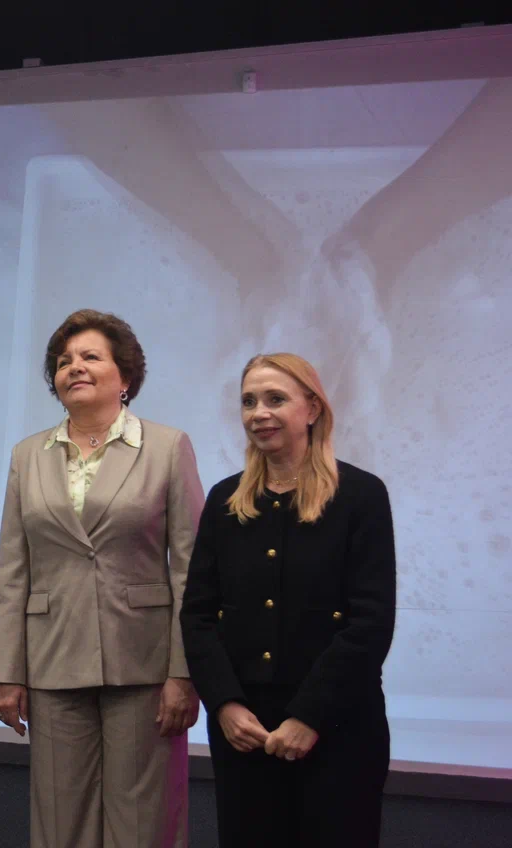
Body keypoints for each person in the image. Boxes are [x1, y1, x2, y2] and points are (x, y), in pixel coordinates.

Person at [0, 309, 204, 848]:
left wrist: (185, 672)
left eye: (90, 357)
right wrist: (6, 673)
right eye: (64, 362)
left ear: (125, 375)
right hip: (52, 661)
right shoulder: (27, 455)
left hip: (144, 664)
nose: (74, 367)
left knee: (143, 823)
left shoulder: (168, 446)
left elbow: (192, 570)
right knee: (60, 821)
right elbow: (12, 570)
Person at [180, 353, 396, 848]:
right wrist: (225, 706)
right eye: (248, 402)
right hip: (244, 731)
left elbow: (370, 622)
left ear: (313, 409)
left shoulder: (361, 495)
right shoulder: (225, 500)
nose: (259, 413)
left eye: (276, 399)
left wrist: (309, 717)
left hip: (339, 726)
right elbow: (198, 615)